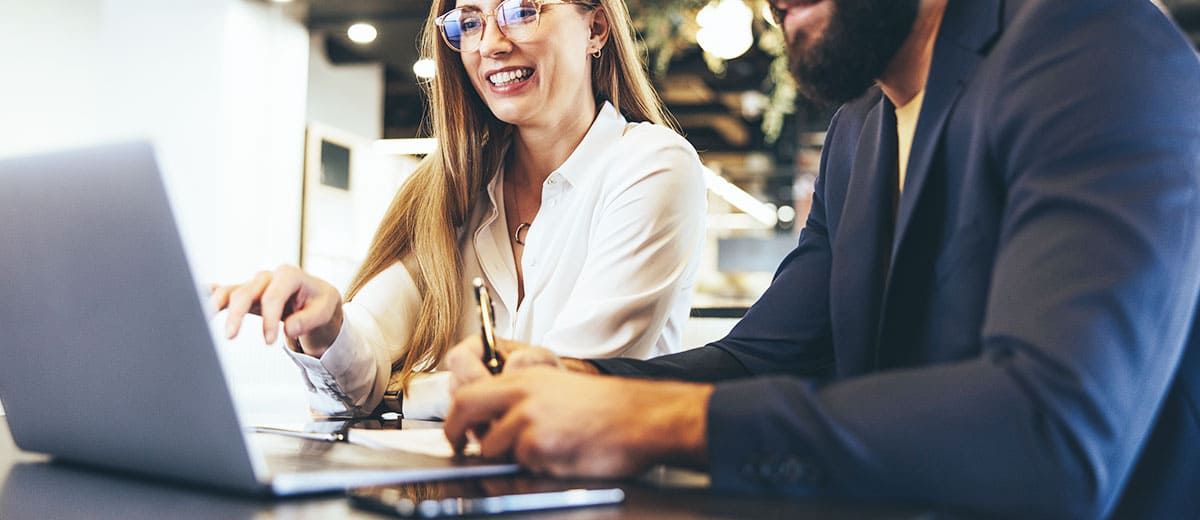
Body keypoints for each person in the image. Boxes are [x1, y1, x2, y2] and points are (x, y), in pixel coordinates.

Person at [442, 0, 1200, 517]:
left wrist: (661, 420)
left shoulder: (1096, 46)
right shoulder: (860, 127)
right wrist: (580, 378)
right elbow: (769, 357)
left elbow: (1053, 432)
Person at [210, 0, 706, 420]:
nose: (491, 42)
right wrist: (327, 326)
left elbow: (561, 385)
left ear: (595, 28)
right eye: (469, 21)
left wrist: (401, 392)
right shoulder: (452, 189)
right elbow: (366, 353)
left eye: (520, 10)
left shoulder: (653, 165)